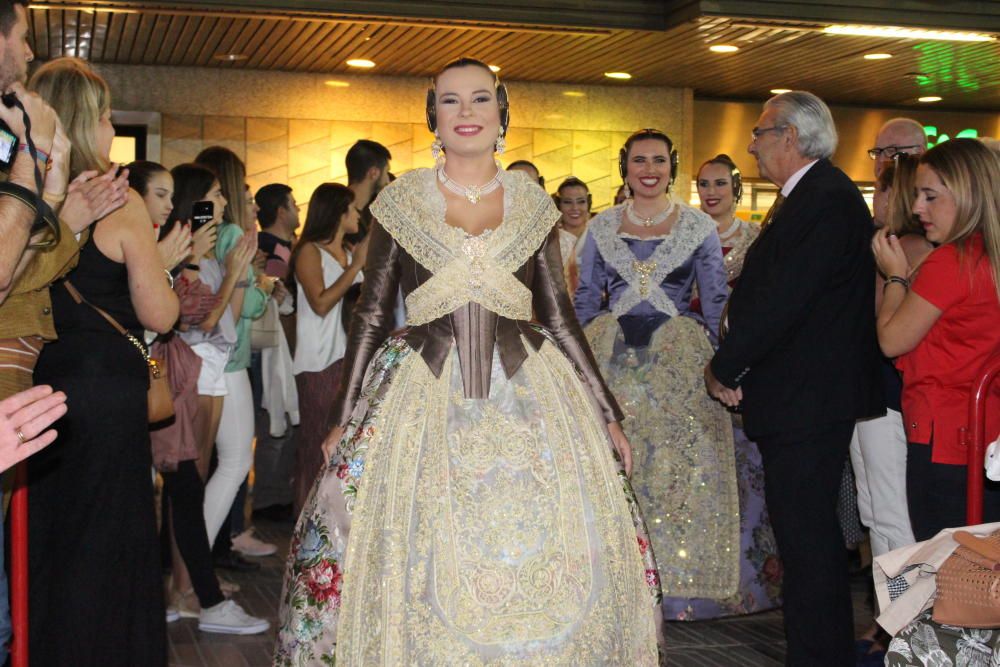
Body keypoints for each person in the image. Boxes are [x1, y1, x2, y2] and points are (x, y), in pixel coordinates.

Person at [275, 58, 660, 665]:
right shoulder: (399, 204)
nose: (466, 113)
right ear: (434, 115)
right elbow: (371, 315)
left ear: (501, 111)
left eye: (479, 99)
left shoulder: (535, 207)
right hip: (419, 394)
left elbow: (558, 317)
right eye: (451, 101)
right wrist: (343, 418)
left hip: (530, 390)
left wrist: (605, 412)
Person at [705, 91, 884, 666]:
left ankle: (819, 656)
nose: (751, 145)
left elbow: (786, 301)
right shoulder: (809, 196)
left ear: (790, 136)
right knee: (806, 540)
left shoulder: (827, 200)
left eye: (759, 133)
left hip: (808, 398)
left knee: (809, 543)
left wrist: (726, 364)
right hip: (800, 395)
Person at [27, 56, 180, 666]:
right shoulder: (120, 202)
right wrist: (164, 260)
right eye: (107, 114)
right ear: (84, 121)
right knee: (112, 537)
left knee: (51, 533)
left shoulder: (26, 196)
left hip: (40, 384)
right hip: (109, 394)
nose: (113, 125)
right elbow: (161, 314)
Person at [574, 130, 734, 623]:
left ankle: (676, 578)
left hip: (678, 362)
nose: (649, 168)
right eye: (639, 160)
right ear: (624, 166)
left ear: (672, 166)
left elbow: (715, 303)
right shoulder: (601, 227)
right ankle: (617, 573)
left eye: (659, 160)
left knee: (678, 471)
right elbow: (584, 302)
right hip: (611, 356)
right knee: (618, 464)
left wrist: (723, 365)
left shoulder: (697, 227)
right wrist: (575, 367)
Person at [872, 138, 1000, 541]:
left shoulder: (952, 260)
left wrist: (894, 274)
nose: (916, 209)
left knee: (947, 571)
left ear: (968, 194)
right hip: (987, 437)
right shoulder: (988, 256)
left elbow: (892, 340)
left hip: (944, 436)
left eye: (930, 196)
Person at [682, 153, 782, 619]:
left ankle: (749, 575)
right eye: (704, 183)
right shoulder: (683, 232)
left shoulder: (753, 239)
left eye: (720, 183)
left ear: (736, 189)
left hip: (736, 352)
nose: (711, 191)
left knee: (745, 467)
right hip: (687, 354)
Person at [194, 147, 278, 563]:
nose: (247, 202)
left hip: (219, 359)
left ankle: (195, 567)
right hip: (228, 361)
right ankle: (196, 568)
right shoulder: (229, 234)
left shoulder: (219, 234)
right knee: (232, 464)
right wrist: (262, 287)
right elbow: (238, 310)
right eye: (239, 191)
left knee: (219, 466)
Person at [289, 182, 366, 516]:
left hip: (346, 359)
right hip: (318, 360)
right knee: (314, 447)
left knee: (340, 447)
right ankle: (303, 528)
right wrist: (355, 267)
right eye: (353, 208)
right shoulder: (309, 251)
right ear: (339, 212)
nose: (358, 215)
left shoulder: (349, 253)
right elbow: (320, 302)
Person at [255, 182, 299, 282]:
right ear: (281, 212)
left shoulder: (288, 243)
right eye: (294, 204)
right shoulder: (268, 250)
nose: (298, 209)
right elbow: (286, 288)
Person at [554, 176, 590, 293]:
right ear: (559, 205)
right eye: (567, 202)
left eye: (581, 202)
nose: (575, 208)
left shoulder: (601, 236)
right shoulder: (550, 240)